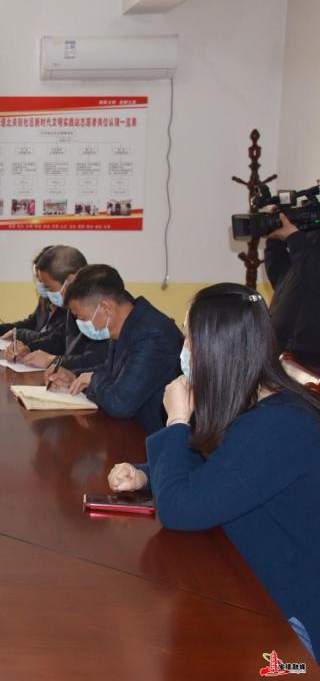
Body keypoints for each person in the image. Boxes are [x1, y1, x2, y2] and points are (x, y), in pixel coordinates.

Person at [107, 283, 320, 661]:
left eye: (190, 340)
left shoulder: (278, 425)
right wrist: (147, 474)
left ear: (218, 350)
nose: (184, 350)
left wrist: (176, 420)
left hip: (290, 621)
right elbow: (219, 468)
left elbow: (180, 510)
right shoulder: (251, 400)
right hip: (251, 582)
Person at [45, 264, 183, 432]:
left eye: (82, 318)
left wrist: (93, 379)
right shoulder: (125, 323)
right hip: (129, 429)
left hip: (151, 436)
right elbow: (109, 371)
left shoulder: (152, 335)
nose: (80, 324)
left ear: (105, 308)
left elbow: (120, 403)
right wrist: (74, 376)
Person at [1, 245, 108, 371]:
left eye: (50, 288)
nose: (47, 294)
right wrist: (28, 349)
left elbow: (97, 359)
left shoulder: (99, 307)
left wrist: (52, 361)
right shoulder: (71, 305)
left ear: (70, 280)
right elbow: (59, 339)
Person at [264, 211, 320, 370]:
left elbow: (315, 279)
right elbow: (282, 280)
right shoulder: (311, 230)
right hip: (282, 350)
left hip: (312, 358)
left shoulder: (301, 241)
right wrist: (275, 242)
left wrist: (294, 238)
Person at [0, 246, 55, 341]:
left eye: (42, 279)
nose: (39, 283)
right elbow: (30, 324)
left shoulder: (64, 303)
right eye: (37, 278)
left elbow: (54, 339)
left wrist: (18, 334)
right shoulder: (45, 298)